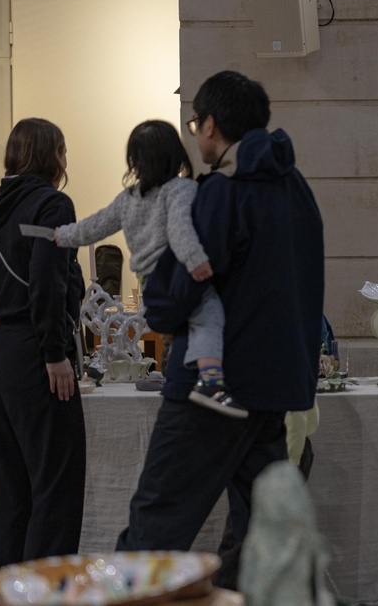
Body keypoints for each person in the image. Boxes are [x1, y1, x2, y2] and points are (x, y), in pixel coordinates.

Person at [116, 71, 325, 591]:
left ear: (210, 124)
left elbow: (177, 288)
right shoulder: (297, 188)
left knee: (156, 524)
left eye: (195, 125)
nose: (194, 136)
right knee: (261, 538)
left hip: (213, 385)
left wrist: (159, 309)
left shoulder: (225, 190)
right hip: (275, 387)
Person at [53, 120, 243, 417]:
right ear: (175, 155)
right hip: (175, 274)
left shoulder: (128, 198)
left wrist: (63, 235)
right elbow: (180, 228)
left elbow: (94, 226)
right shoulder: (180, 189)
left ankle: (185, 358)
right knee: (209, 315)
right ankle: (211, 382)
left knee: (185, 323)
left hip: (149, 282)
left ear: (135, 162)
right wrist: (196, 261)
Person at [0, 119, 86, 568]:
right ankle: (47, 595)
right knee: (56, 489)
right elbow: (46, 282)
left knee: (11, 493)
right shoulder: (52, 203)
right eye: (63, 151)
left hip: (0, 351)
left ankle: (7, 593)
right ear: (52, 154)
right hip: (35, 353)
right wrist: (56, 352)